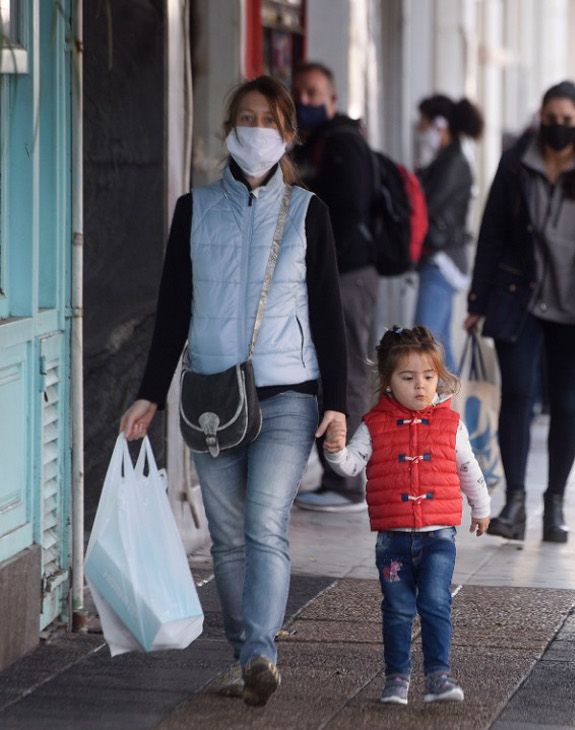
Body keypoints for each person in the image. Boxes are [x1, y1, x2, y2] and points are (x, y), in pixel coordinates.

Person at [119, 76, 348, 707]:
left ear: (288, 135)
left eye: (269, 121)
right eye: (245, 118)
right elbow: (173, 308)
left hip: (288, 392)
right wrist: (150, 394)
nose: (256, 129)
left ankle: (259, 653)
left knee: (265, 521)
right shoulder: (193, 210)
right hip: (213, 393)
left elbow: (329, 313)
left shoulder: (309, 213)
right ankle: (247, 655)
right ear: (228, 129)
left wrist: (337, 401)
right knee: (226, 533)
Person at [465, 81, 575, 543]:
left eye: (568, 119)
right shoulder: (517, 163)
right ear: (540, 115)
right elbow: (493, 232)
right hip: (519, 299)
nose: (558, 127)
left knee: (565, 403)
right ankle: (515, 501)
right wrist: (477, 300)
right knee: (518, 396)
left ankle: (556, 503)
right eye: (552, 117)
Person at [322, 326, 490, 706]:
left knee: (435, 601)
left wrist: (481, 508)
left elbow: (469, 467)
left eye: (429, 377)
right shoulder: (374, 424)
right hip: (392, 540)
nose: (420, 386)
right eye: (408, 377)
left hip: (438, 537)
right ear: (387, 381)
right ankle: (396, 678)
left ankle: (439, 676)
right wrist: (334, 450)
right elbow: (350, 466)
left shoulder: (451, 423)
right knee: (397, 608)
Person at [291, 61, 378, 512]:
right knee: (330, 369)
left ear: (333, 99)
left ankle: (345, 479)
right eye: (299, 93)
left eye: (314, 93)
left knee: (346, 371)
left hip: (346, 274)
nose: (306, 101)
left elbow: (344, 215)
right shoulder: (320, 143)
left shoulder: (341, 145)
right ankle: (336, 474)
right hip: (334, 273)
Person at [414, 94, 485, 369]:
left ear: (440, 126)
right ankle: (458, 411)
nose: (420, 131)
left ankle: (452, 411)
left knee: (425, 345)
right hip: (443, 260)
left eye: (423, 124)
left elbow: (428, 205)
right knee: (438, 346)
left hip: (442, 260)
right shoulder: (448, 158)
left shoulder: (453, 161)